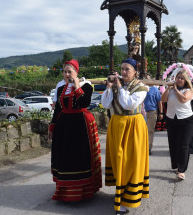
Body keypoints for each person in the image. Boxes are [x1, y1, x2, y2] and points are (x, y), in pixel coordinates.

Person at [47, 59, 102, 202]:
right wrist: (52, 126)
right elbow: (58, 109)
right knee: (64, 157)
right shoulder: (60, 88)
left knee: (79, 157)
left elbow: (85, 103)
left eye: (69, 71)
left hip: (80, 126)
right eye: (64, 71)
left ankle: (83, 191)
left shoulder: (87, 86)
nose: (66, 74)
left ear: (76, 72)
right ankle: (63, 191)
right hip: (63, 126)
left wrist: (77, 86)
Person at [101, 58, 149, 215]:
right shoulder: (116, 86)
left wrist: (120, 87)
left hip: (133, 126)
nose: (123, 72)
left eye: (127, 69)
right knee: (118, 160)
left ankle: (127, 198)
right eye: (122, 69)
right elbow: (106, 104)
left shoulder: (141, 87)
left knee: (130, 162)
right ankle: (120, 194)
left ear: (135, 71)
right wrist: (109, 88)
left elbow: (129, 104)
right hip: (117, 125)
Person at [161, 69, 193, 180]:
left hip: (186, 120)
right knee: (174, 144)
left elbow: (184, 99)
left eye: (181, 78)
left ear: (185, 80)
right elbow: (163, 99)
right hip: (172, 118)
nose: (179, 80)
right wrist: (168, 89)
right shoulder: (171, 90)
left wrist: (175, 90)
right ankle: (176, 165)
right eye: (178, 77)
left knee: (184, 145)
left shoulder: (188, 90)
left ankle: (182, 170)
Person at [144, 77, 163, 155]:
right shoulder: (141, 88)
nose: (148, 80)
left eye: (149, 79)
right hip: (141, 112)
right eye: (146, 79)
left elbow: (159, 101)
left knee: (150, 130)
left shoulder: (155, 89)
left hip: (152, 111)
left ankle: (148, 147)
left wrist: (161, 112)